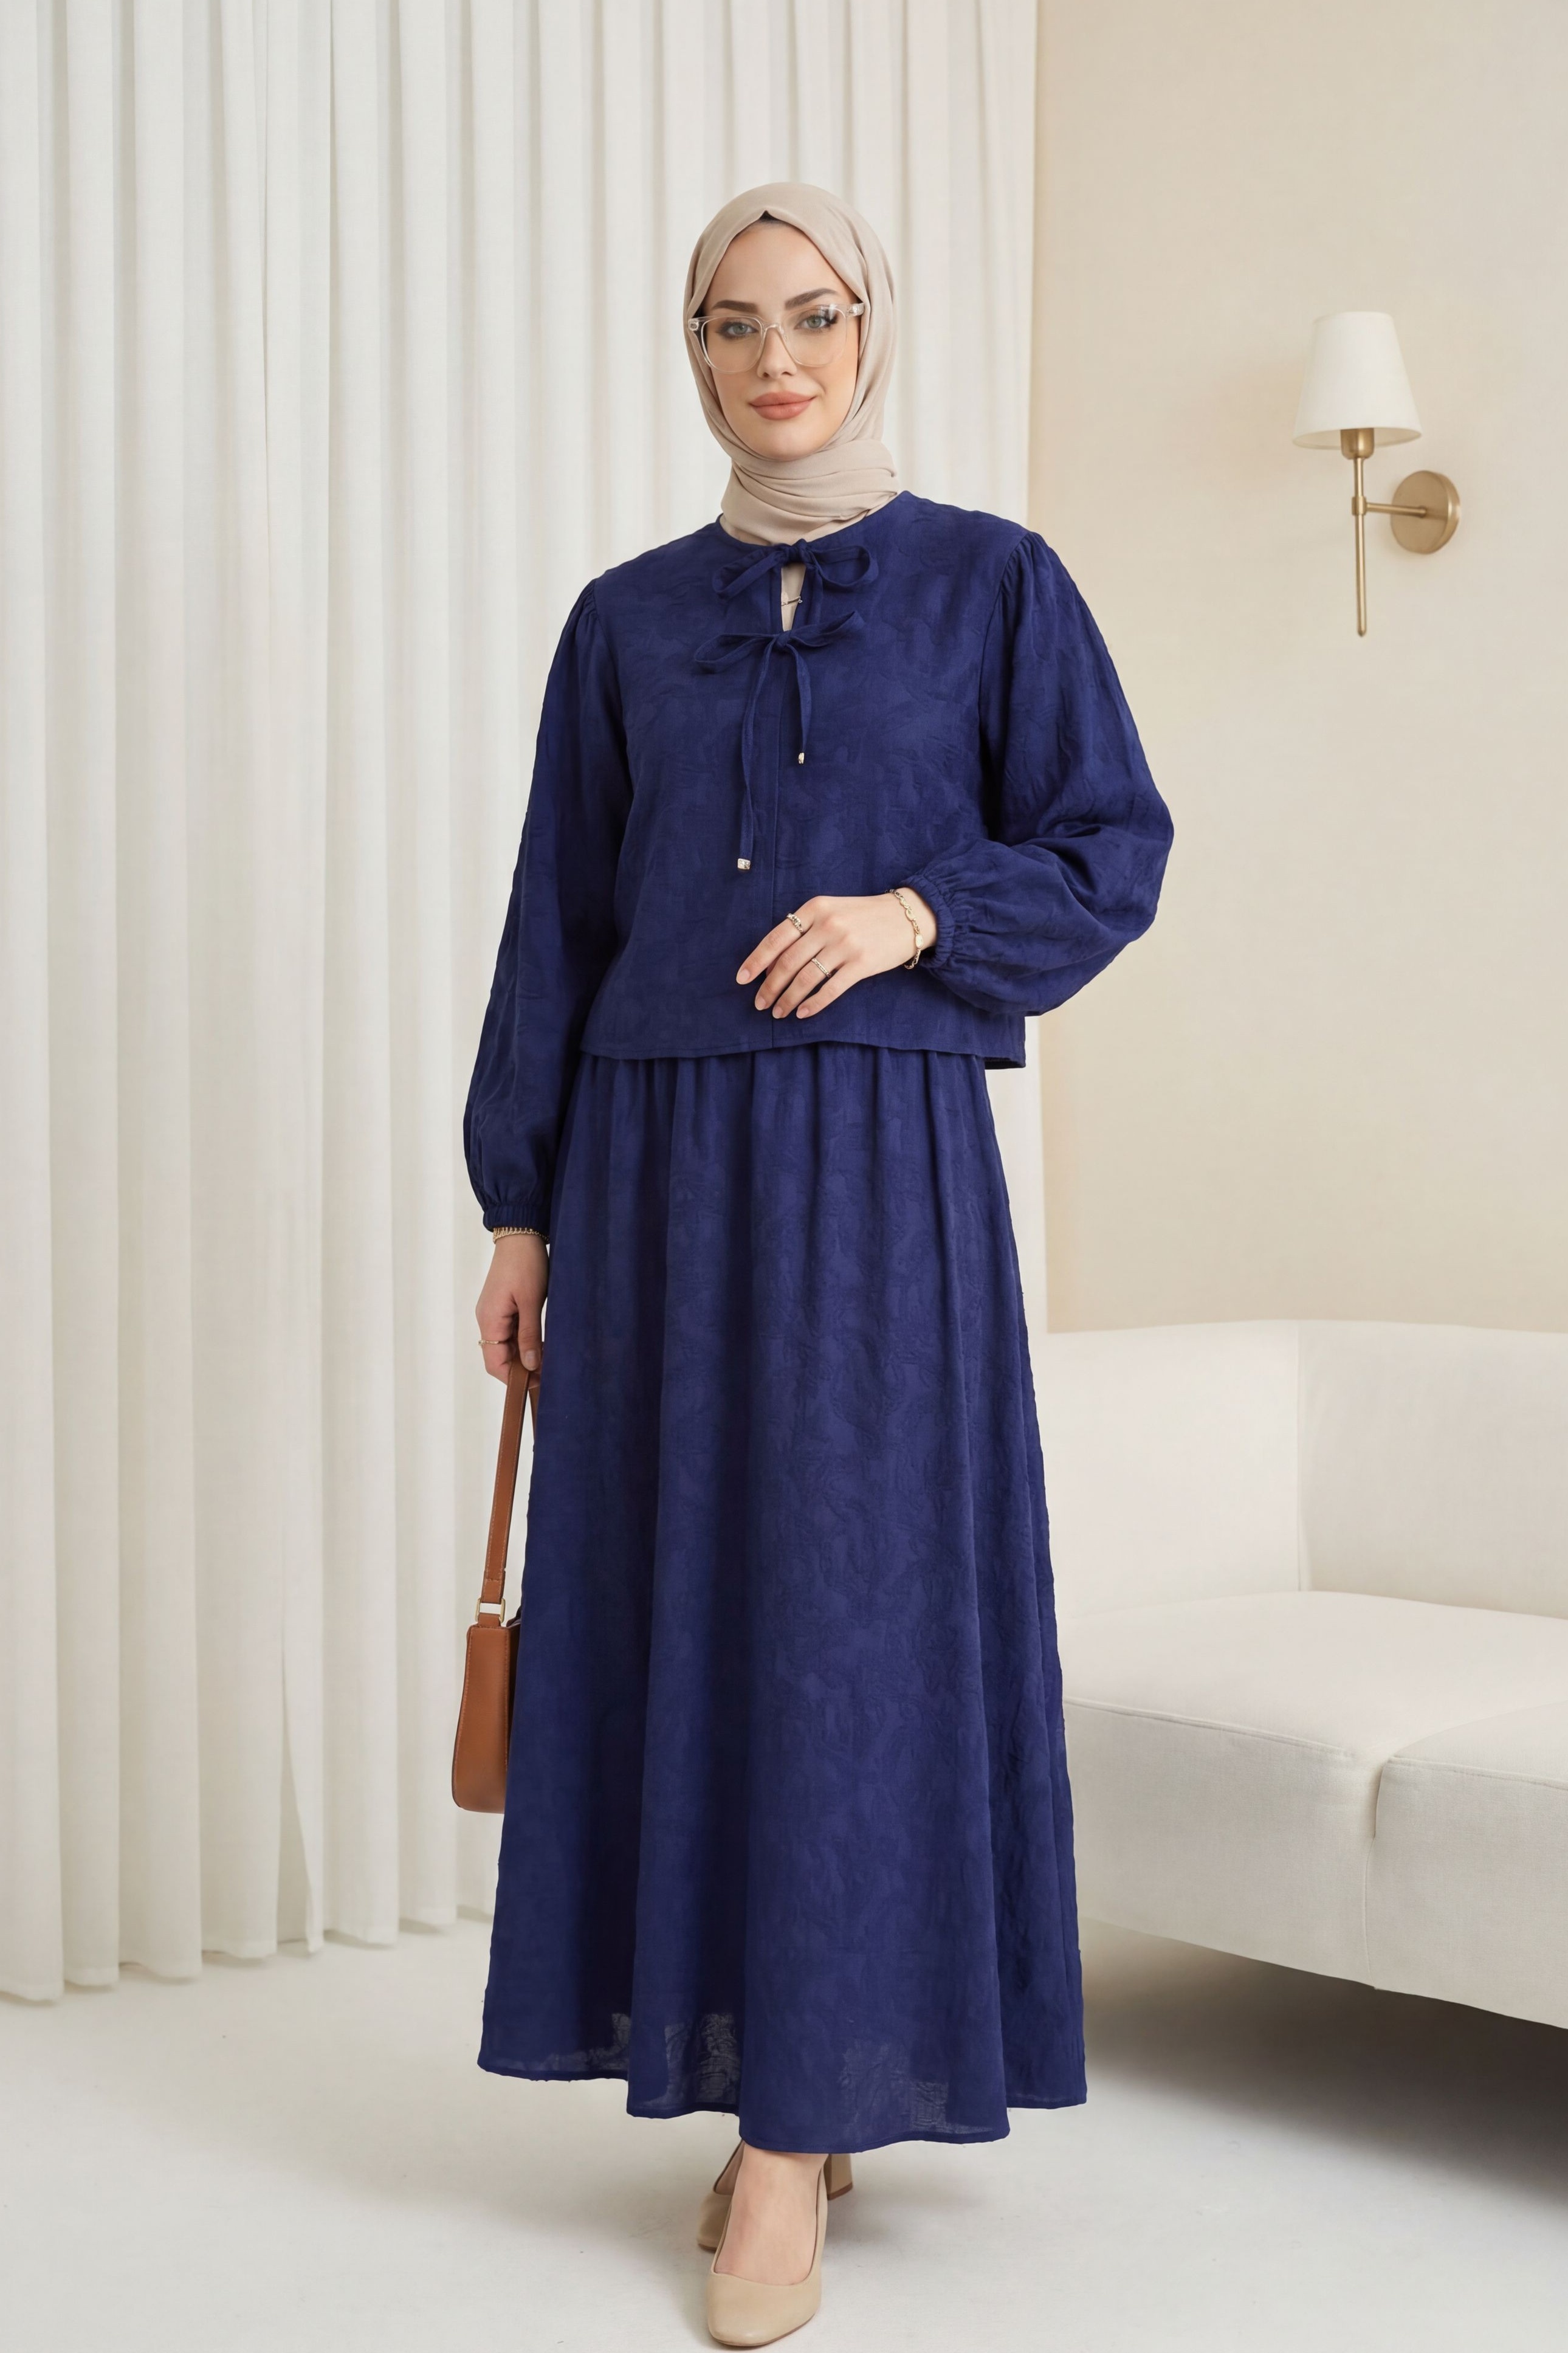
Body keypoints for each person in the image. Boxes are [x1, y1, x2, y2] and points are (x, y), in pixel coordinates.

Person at [464, 181, 1173, 2348]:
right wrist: (519, 1205)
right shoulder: (622, 620)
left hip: (880, 1171)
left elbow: (1109, 845)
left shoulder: (991, 582)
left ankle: (797, 2130)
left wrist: (914, 914)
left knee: (853, 1624)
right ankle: (778, 2072)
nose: (774, 359)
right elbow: (559, 918)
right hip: (652, 1172)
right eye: (730, 323)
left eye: (813, 315)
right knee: (689, 1612)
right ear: (691, 351)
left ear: (872, 330)